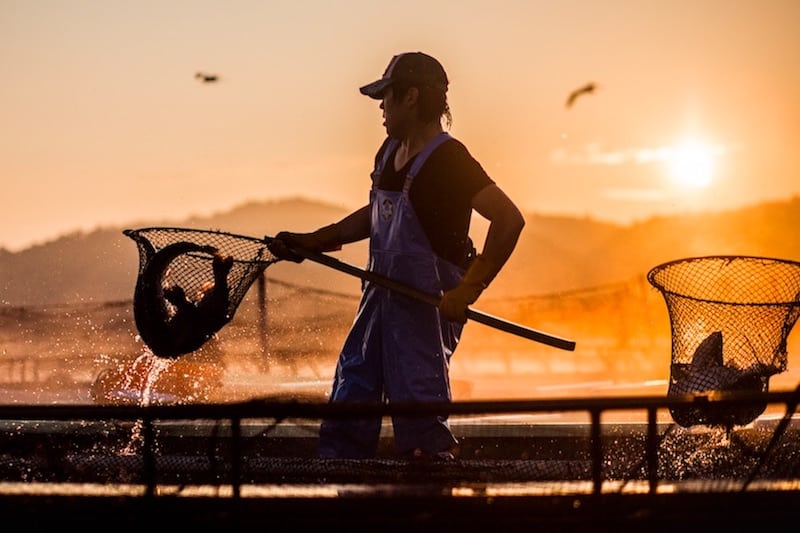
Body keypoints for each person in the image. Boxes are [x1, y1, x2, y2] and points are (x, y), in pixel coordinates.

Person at [268, 51, 525, 460]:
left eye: (385, 97)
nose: (380, 109)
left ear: (410, 97)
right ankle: (344, 497)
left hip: (425, 311)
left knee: (420, 415)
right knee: (350, 401)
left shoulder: (450, 159)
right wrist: (313, 241)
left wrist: (469, 290)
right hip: (378, 302)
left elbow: (509, 220)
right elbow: (376, 216)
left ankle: (429, 504)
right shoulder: (388, 152)